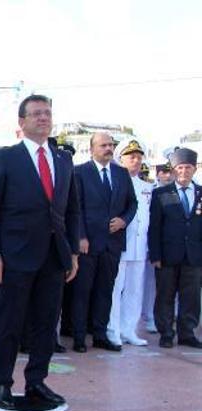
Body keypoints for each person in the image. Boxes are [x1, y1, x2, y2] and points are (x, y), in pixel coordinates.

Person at [0, 94, 80, 410]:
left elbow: (72, 210)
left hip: (54, 255)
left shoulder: (63, 159)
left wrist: (73, 252)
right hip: (15, 255)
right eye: (36, 113)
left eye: (47, 113)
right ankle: (2, 384)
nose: (43, 118)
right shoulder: (7, 158)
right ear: (22, 122)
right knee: (10, 321)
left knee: (45, 322)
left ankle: (37, 381)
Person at [70, 132, 136, 352]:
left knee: (105, 291)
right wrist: (80, 237)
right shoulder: (80, 172)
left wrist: (123, 220)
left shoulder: (121, 173)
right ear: (92, 149)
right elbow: (75, 208)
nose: (108, 148)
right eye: (103, 145)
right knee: (82, 291)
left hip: (112, 243)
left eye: (110, 145)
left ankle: (100, 334)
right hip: (88, 243)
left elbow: (132, 204)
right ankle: (79, 337)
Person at [148, 148, 202, 349]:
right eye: (180, 167)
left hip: (194, 255)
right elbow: (154, 227)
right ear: (173, 169)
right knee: (165, 295)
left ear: (194, 169)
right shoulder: (162, 193)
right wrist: (155, 254)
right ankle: (166, 333)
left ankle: (187, 333)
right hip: (168, 254)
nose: (184, 171)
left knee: (191, 297)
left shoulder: (201, 193)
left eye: (188, 167)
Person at [107, 140, 152, 346]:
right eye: (131, 156)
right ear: (120, 158)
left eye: (139, 157)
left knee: (135, 289)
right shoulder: (115, 181)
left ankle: (129, 329)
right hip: (120, 244)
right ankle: (113, 329)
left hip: (140, 245)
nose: (136, 160)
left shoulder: (148, 187)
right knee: (116, 288)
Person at [141, 163, 175, 333]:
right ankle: (149, 316)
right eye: (164, 173)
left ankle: (164, 318)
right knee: (149, 285)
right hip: (147, 244)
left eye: (170, 172)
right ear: (158, 174)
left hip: (168, 248)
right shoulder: (152, 190)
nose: (168, 176)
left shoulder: (173, 192)